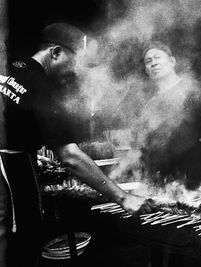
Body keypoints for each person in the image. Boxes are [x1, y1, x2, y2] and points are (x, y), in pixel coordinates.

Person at [0, 23, 151, 266]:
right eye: (75, 60)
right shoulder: (43, 88)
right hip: (10, 177)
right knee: (19, 250)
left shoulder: (10, 67)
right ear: (55, 53)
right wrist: (123, 198)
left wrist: (26, 148)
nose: (76, 70)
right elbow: (70, 156)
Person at [134, 41, 201, 189]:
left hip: (198, 185)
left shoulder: (195, 91)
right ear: (147, 70)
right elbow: (143, 149)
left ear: (172, 61)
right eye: (148, 61)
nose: (153, 63)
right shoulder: (149, 105)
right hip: (162, 187)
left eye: (157, 57)